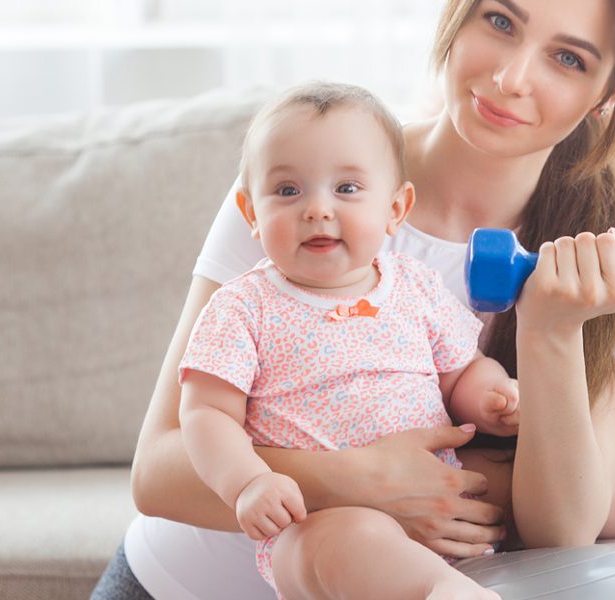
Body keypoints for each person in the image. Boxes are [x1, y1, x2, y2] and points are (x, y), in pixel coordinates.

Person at [92, 1, 615, 598]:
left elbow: (564, 526)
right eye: (499, 21)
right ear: (455, 14)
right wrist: (362, 479)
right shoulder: (308, 181)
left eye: (567, 57)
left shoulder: (611, 267)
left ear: (606, 93)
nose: (511, 78)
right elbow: (160, 472)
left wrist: (548, 333)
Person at [179, 81, 521, 599]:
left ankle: (441, 585)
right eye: (288, 190)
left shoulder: (415, 286)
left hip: (433, 518)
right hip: (316, 527)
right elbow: (205, 414)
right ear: (251, 214)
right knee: (347, 538)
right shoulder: (241, 307)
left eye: (347, 189)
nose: (317, 209)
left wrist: (493, 395)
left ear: (396, 208)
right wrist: (248, 481)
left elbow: (462, 370)